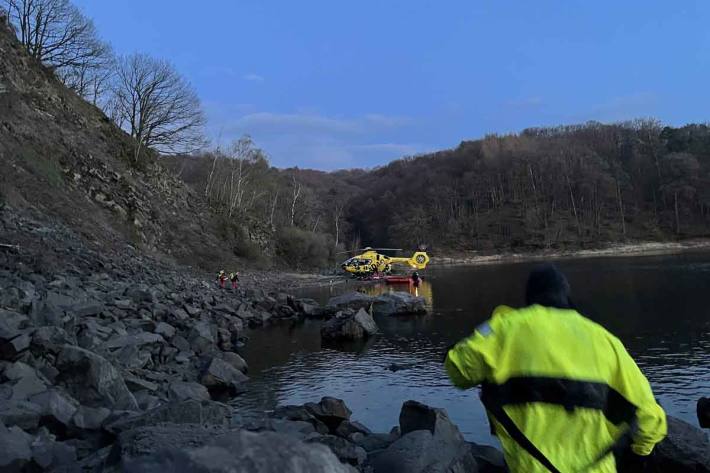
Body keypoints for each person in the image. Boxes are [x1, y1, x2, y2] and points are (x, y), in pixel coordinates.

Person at [444, 264, 666, 473]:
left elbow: (459, 371)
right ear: (566, 296)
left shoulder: (504, 327)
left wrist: (454, 350)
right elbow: (649, 417)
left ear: (529, 297)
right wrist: (638, 455)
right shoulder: (606, 340)